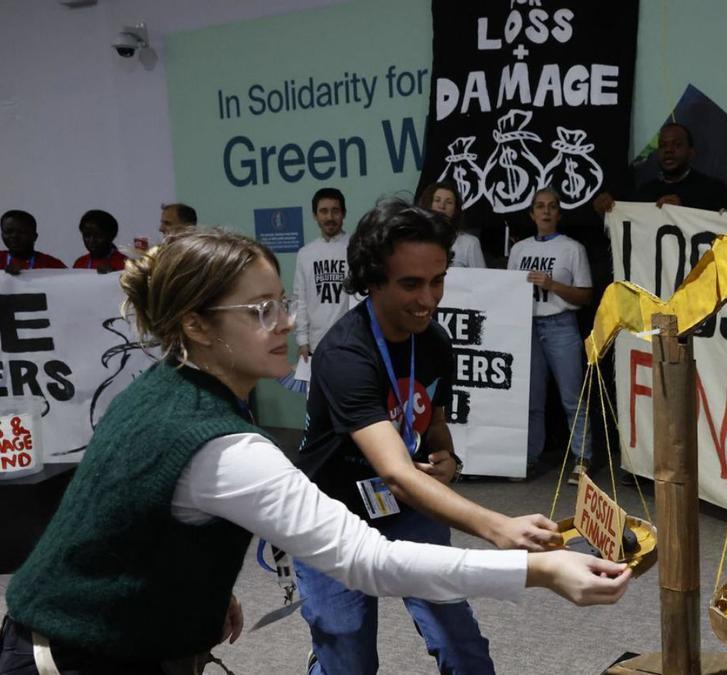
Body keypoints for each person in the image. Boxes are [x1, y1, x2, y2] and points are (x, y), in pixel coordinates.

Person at [0, 229, 629, 673]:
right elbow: (367, 561)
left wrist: (201, 589)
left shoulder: (170, 388)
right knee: (347, 639)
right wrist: (540, 570)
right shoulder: (224, 444)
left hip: (78, 633)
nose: (284, 323)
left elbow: (129, 516)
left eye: (283, 303)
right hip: (74, 655)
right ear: (195, 325)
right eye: (259, 310)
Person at [294, 198, 571, 674]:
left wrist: (448, 459)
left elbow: (432, 423)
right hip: (331, 517)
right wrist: (499, 527)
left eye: (437, 280)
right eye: (410, 284)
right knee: (349, 662)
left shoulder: (434, 340)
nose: (429, 298)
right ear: (371, 279)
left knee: (463, 649)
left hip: (405, 508)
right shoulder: (344, 354)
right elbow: (396, 474)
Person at [509, 188, 594, 484]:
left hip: (561, 324)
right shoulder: (518, 249)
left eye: (552, 206)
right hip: (527, 326)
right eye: (539, 206)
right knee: (531, 399)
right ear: (531, 214)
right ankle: (530, 457)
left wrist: (552, 284)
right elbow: (508, 289)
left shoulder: (572, 248)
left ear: (559, 213)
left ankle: (582, 457)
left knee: (572, 396)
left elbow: (585, 295)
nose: (545, 211)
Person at [593, 122, 727, 213]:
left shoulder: (714, 189)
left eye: (677, 144)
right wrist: (608, 212)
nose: (668, 150)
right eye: (663, 145)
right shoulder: (645, 192)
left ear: (691, 153)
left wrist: (682, 213)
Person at [294, 187, 354, 362]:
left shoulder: (357, 247)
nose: (329, 217)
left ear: (343, 214)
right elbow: (300, 299)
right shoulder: (305, 253)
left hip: (352, 342)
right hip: (316, 344)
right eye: (323, 211)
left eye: (335, 211)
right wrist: (302, 340)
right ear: (315, 215)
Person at [419, 181, 486, 268]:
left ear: (455, 210)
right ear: (428, 205)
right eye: (437, 200)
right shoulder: (414, 240)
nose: (442, 206)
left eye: (449, 202)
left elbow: (481, 279)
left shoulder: (469, 243)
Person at [1, 209, 66, 274]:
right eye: (8, 231)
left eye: (21, 232)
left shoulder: (54, 265)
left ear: (34, 236)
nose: (14, 236)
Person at [72, 209, 128, 273]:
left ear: (111, 236)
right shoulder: (80, 263)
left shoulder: (125, 264)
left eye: (98, 235)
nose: (92, 240)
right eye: (87, 235)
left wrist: (114, 275)